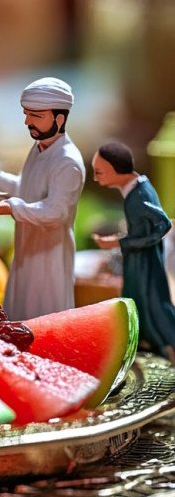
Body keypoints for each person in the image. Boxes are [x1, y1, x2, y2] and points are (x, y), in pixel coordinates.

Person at [0, 77, 84, 321]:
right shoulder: (39, 149)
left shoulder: (67, 162)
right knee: (21, 307)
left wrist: (14, 208)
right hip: (27, 247)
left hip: (49, 255)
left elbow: (56, 212)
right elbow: (26, 188)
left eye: (36, 115)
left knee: (45, 313)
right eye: (26, 114)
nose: (27, 122)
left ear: (60, 119)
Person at [91, 141, 175, 361]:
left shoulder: (139, 196)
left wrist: (122, 243)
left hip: (144, 262)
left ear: (115, 169)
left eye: (99, 172)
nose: (95, 178)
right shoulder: (136, 188)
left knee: (153, 303)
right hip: (138, 259)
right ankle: (145, 345)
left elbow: (163, 224)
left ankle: (164, 344)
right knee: (136, 300)